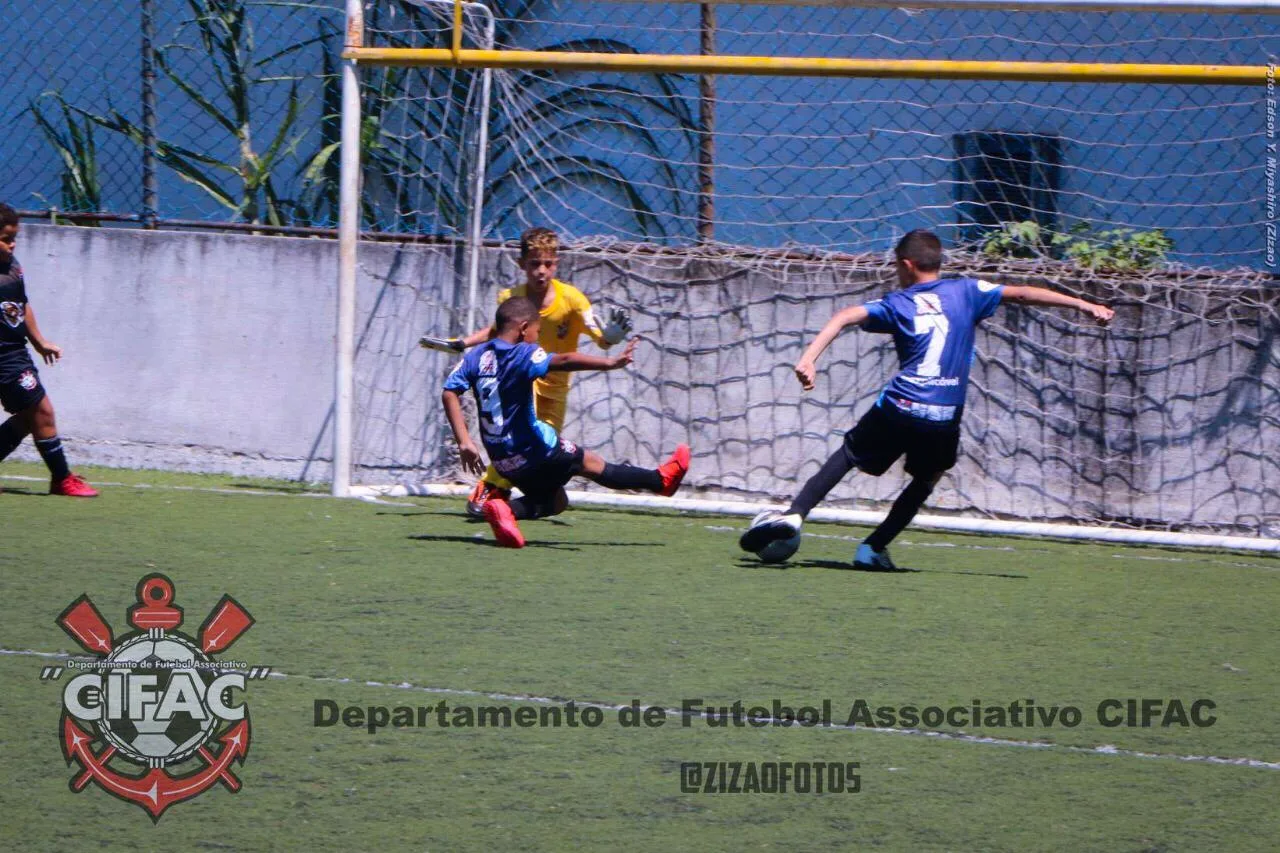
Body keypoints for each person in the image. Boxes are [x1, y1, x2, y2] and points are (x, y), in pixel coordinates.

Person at [740, 229, 1113, 569]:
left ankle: (794, 514)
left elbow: (845, 316)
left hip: (900, 404)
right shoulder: (968, 292)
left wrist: (808, 358)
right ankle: (873, 548)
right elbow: (1022, 293)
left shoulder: (899, 302)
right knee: (929, 475)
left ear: (906, 265)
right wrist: (1083, 306)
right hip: (943, 413)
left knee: (851, 453)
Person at [442, 296, 689, 548]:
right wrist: (610, 362)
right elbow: (563, 361)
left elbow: (449, 391)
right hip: (537, 449)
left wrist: (464, 441)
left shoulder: (475, 356)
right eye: (537, 331)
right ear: (524, 328)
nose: (537, 338)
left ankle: (505, 511)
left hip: (503, 461)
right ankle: (661, 481)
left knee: (556, 501)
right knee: (592, 464)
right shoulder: (523, 352)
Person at [421, 227, 631, 516]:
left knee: (540, 453)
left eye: (548, 263)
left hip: (555, 390)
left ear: (557, 263)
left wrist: (609, 337)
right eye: (534, 264)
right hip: (522, 386)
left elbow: (599, 335)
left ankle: (518, 499)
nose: (541, 271)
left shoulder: (573, 300)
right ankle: (492, 489)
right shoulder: (512, 296)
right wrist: (462, 343)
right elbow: (495, 331)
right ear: (522, 264)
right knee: (517, 440)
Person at [0, 204, 97, 497]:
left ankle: (61, 478)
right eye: (6, 238)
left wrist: (40, 341)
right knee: (41, 411)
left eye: (14, 237)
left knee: (35, 415)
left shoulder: (12, 266)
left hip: (14, 352)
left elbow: (22, 305)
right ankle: (62, 478)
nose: (12, 243)